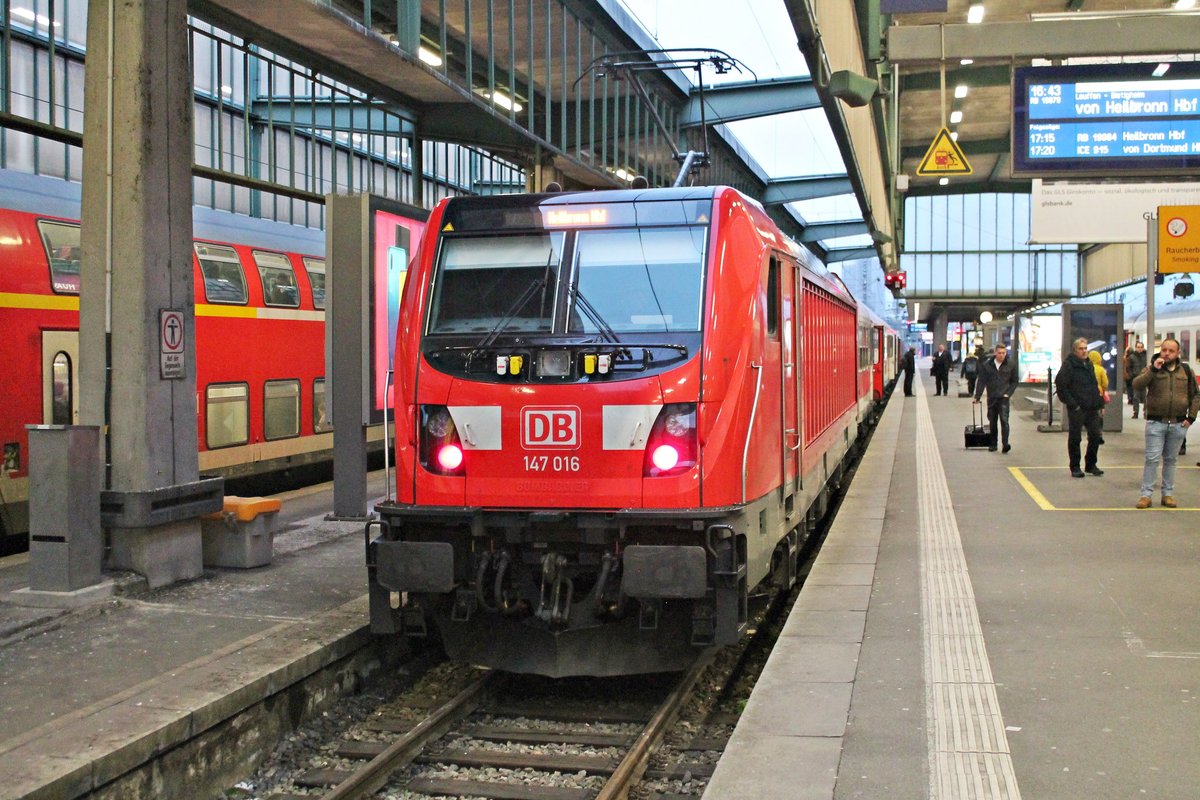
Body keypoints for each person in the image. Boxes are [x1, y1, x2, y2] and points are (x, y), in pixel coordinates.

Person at [1131, 338, 1199, 508]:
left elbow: (1196, 395)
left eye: (1171, 351)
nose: (1166, 354)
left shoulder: (1185, 371)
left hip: (1178, 423)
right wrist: (1153, 369)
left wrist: (1190, 417)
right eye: (1164, 350)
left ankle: (1167, 494)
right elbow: (1136, 385)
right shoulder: (1153, 369)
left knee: (1171, 460)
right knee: (1152, 459)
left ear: (1178, 353)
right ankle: (1146, 495)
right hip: (1156, 422)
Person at [1055, 338, 1104, 478]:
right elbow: (1061, 386)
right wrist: (1072, 404)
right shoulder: (1068, 365)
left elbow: (1094, 386)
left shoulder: (1089, 364)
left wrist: (1100, 403)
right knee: (1075, 438)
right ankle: (1075, 466)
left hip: (1091, 407)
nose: (1084, 351)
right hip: (1077, 408)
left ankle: (1091, 464)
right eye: (1081, 349)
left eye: (1085, 348)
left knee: (1095, 435)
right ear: (1075, 350)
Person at [973, 342, 1018, 453]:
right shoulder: (987, 365)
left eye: (1003, 353)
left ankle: (1005, 444)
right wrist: (977, 396)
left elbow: (1014, 381)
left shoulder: (1011, 364)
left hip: (1004, 398)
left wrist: (1008, 393)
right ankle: (993, 444)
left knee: (1004, 421)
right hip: (992, 397)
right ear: (995, 353)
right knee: (992, 422)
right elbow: (982, 381)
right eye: (999, 353)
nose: (1002, 355)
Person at [1124, 340, 1147, 418]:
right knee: (1136, 397)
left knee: (1145, 397)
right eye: (1138, 347)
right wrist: (1132, 375)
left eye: (1141, 347)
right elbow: (1128, 367)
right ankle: (1135, 412)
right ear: (1136, 348)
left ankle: (1145, 413)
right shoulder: (1132, 357)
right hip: (1135, 379)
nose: (1140, 349)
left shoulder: (1146, 356)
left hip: (1144, 378)